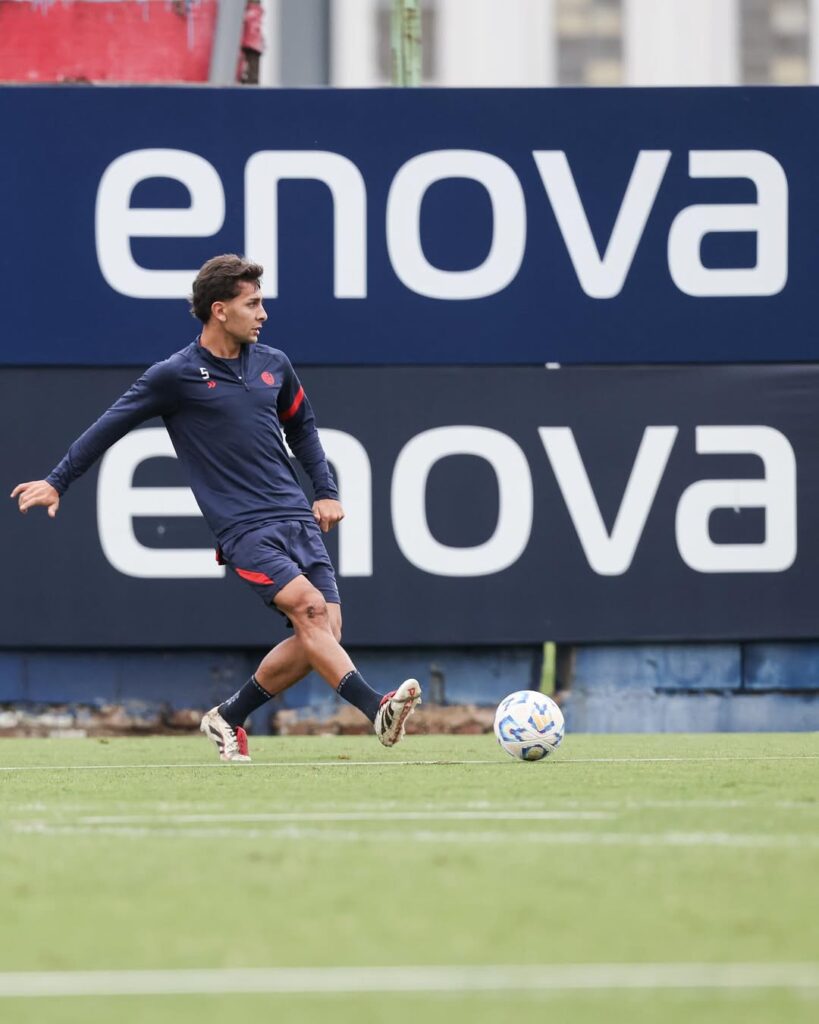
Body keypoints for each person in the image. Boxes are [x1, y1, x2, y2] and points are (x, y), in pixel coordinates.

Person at [11, 254, 421, 762]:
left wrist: (326, 489)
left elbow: (304, 429)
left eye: (262, 302)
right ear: (220, 310)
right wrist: (57, 481)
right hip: (244, 530)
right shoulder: (175, 375)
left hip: (296, 517)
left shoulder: (275, 365)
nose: (263, 314)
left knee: (323, 634)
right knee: (311, 611)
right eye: (253, 304)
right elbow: (109, 426)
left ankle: (227, 716)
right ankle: (375, 707)